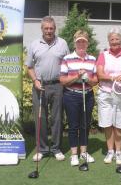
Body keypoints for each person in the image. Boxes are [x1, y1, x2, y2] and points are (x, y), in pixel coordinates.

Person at [25, 16, 69, 162]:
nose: (49, 31)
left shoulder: (62, 43)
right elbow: (29, 67)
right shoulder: (34, 44)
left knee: (57, 118)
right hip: (40, 85)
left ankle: (56, 148)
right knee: (40, 118)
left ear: (55, 29)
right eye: (46, 28)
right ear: (42, 29)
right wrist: (35, 80)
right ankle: (42, 149)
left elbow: (68, 64)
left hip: (58, 85)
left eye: (51, 28)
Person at [96, 27, 121, 165]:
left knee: (119, 124)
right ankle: (110, 151)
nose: (115, 42)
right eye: (112, 39)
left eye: (117, 39)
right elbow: (100, 74)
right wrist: (114, 78)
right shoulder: (103, 55)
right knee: (107, 124)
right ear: (109, 41)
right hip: (105, 93)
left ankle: (118, 152)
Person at [59, 30, 98, 166]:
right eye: (79, 41)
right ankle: (74, 154)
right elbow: (63, 80)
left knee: (85, 125)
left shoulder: (92, 59)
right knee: (73, 125)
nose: (81, 44)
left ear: (87, 43)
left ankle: (84, 152)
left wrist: (87, 78)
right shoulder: (67, 58)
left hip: (87, 95)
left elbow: (95, 81)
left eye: (84, 41)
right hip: (71, 96)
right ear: (74, 43)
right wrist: (77, 76)